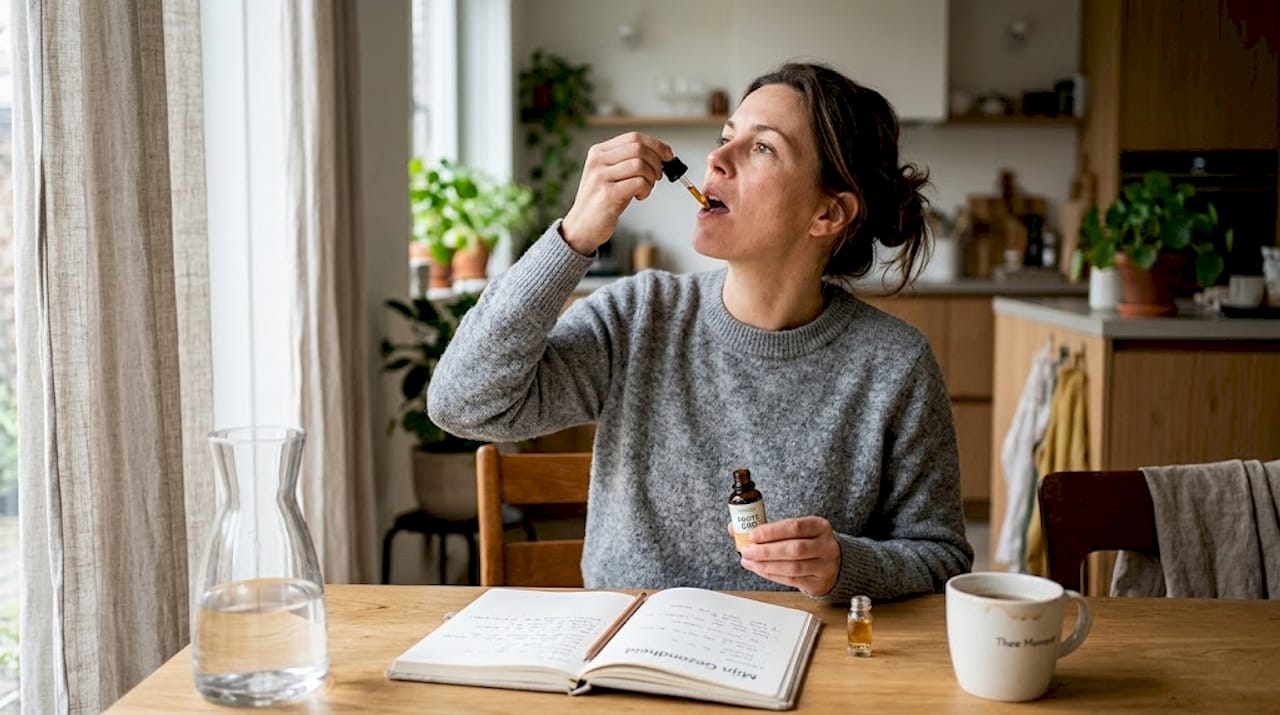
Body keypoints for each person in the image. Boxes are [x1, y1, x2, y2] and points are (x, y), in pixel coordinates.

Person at [429, 62, 972, 602]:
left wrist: (843, 567)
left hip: (800, 668)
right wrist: (572, 237)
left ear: (828, 213)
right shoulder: (638, 314)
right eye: (725, 137)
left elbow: (940, 555)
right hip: (629, 660)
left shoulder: (894, 364)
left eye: (762, 148)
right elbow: (462, 405)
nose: (716, 158)